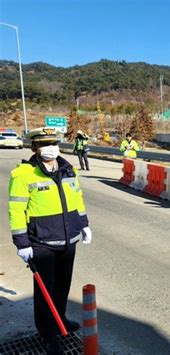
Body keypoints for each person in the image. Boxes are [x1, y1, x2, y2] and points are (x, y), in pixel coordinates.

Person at [8, 127, 92, 354]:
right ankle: (47, 334)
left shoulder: (68, 169)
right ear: (34, 148)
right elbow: (16, 210)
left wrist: (83, 224)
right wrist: (21, 242)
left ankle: (60, 319)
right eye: (45, 144)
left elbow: (78, 199)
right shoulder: (24, 175)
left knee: (62, 286)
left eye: (54, 143)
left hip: (68, 239)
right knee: (46, 291)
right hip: (41, 243)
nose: (51, 148)